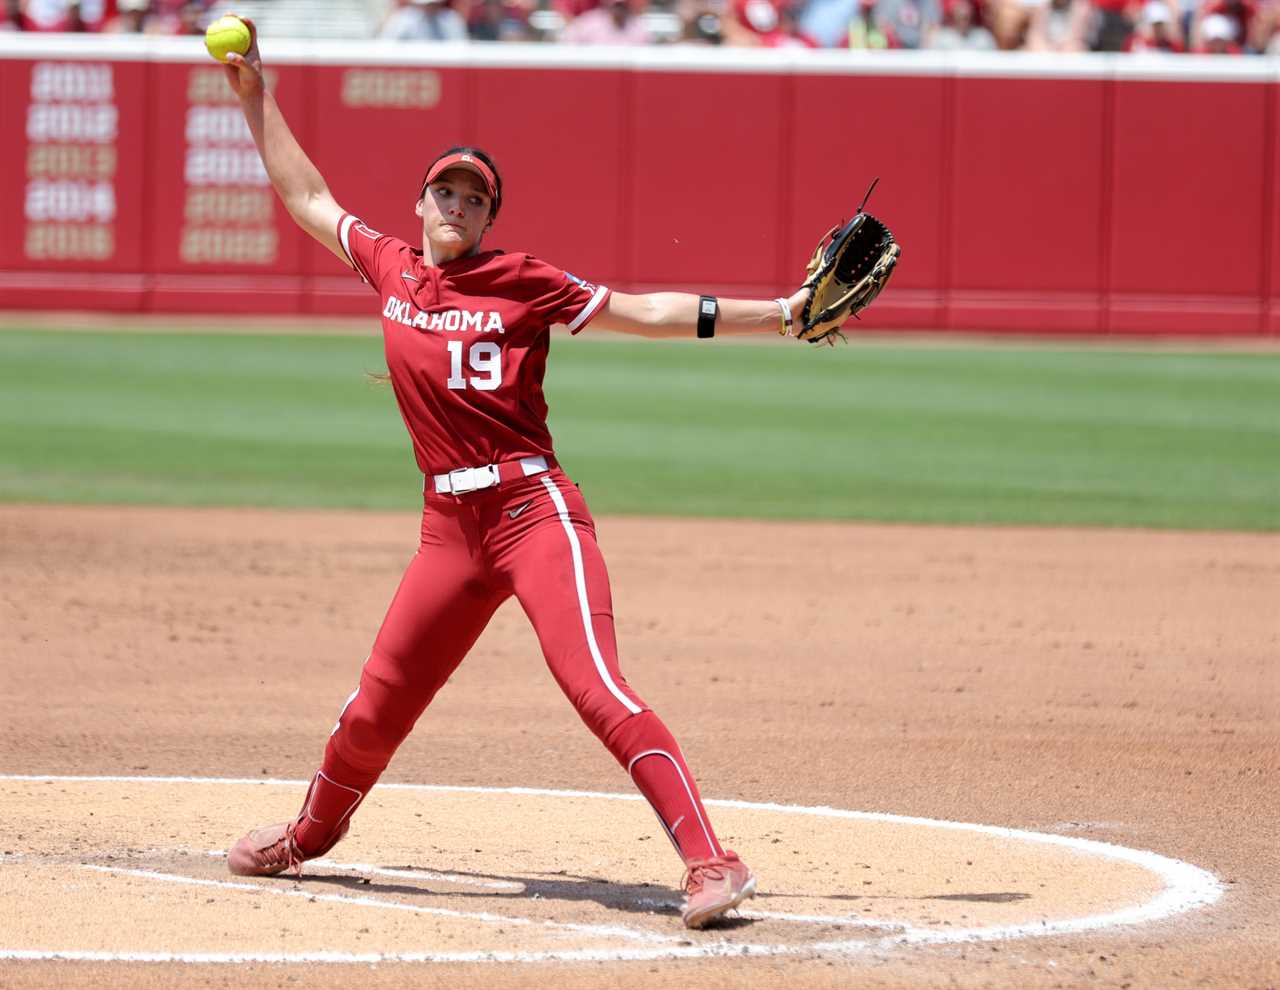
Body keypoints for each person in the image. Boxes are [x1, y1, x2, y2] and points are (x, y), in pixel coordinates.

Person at [218, 19, 814, 931]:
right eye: (443, 192)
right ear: (420, 203)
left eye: (472, 198)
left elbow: (646, 311)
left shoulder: (521, 280)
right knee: (377, 700)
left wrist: (778, 314)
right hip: (446, 535)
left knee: (596, 688)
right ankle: (307, 835)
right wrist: (255, 95)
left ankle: (711, 863)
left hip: (534, 512)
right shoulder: (390, 267)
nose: (455, 206)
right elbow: (307, 196)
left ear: (489, 216)